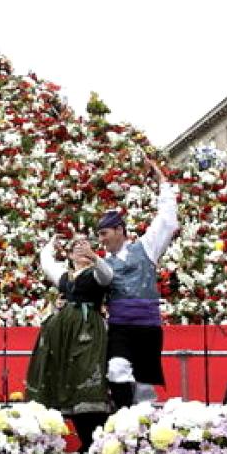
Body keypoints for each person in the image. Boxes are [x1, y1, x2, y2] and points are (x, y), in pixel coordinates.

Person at [99, 156, 179, 409]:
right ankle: (121, 418)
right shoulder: (101, 264)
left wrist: (162, 182)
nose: (101, 239)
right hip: (120, 327)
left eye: (104, 233)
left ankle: (142, 431)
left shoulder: (146, 248)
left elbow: (167, 220)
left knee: (145, 384)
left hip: (147, 325)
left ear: (120, 230)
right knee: (115, 369)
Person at [26, 235, 113, 451]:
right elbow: (46, 263)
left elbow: (107, 277)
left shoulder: (96, 272)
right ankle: (85, 442)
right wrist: (50, 244)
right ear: (70, 254)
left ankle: (94, 441)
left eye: (86, 246)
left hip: (88, 330)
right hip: (63, 332)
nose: (80, 249)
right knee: (66, 378)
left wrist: (94, 257)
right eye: (76, 247)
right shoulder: (66, 276)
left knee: (87, 377)